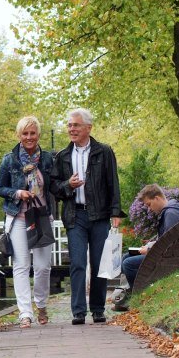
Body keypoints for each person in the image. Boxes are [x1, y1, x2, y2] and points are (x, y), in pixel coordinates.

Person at [50, 108, 125, 325]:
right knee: (78, 263)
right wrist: (68, 185)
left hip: (100, 215)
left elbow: (113, 182)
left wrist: (115, 212)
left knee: (99, 264)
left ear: (88, 128)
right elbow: (54, 187)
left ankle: (98, 309)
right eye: (69, 125)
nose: (71, 129)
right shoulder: (63, 156)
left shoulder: (104, 151)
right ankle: (78, 312)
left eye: (76, 125)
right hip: (75, 216)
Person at [0, 116, 54, 328]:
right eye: (25, 133)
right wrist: (17, 192)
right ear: (19, 136)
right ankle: (25, 313)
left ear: (38, 135)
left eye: (32, 133)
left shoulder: (48, 159)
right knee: (21, 265)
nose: (29, 137)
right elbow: (0, 188)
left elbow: (54, 186)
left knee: (42, 266)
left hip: (41, 216)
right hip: (18, 217)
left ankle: (41, 304)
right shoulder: (9, 160)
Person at [113, 184, 179, 311]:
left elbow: (169, 245)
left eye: (149, 204)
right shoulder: (170, 210)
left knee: (128, 264)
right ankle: (132, 295)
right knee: (127, 255)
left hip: (167, 258)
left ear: (157, 198)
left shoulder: (171, 214)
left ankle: (140, 297)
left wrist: (149, 250)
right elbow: (165, 237)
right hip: (164, 254)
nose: (149, 209)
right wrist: (149, 245)